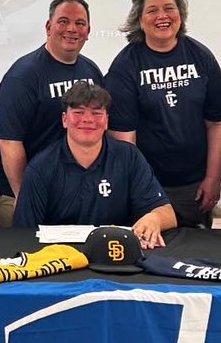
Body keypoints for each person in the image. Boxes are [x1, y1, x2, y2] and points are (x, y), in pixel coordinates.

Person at [105, 0, 221, 228]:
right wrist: (138, 189)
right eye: (152, 10)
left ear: (180, 14)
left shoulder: (201, 56)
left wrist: (213, 178)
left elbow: (218, 123)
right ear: (140, 20)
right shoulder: (125, 66)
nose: (162, 16)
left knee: (195, 257)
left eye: (169, 8)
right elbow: (124, 140)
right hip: (149, 186)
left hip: (194, 186)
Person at [13, 83, 176, 249]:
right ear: (64, 119)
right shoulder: (41, 167)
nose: (88, 119)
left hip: (116, 255)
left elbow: (168, 214)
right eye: (78, 112)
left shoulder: (129, 157)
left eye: (97, 113)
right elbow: (23, 233)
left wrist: (154, 218)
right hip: (61, 259)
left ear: (106, 121)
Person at [0, 0, 104, 227]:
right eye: (63, 21)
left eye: (79, 23)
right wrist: (26, 197)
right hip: (20, 190)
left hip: (70, 191)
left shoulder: (91, 71)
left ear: (88, 30)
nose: (72, 29)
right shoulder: (22, 76)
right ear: (48, 26)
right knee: (22, 259)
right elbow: (10, 143)